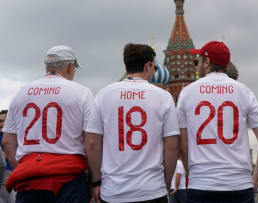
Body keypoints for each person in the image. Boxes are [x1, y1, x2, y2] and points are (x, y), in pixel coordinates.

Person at [177, 41, 258, 203]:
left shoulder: (187, 93)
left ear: (207, 62)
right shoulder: (244, 91)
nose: (196, 65)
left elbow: (182, 145)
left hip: (202, 184)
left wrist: (191, 173)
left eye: (198, 61)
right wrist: (255, 179)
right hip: (239, 185)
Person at [85, 43, 179, 203]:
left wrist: (95, 182)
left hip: (113, 191)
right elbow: (172, 146)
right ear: (148, 66)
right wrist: (166, 182)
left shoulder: (104, 94)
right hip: (152, 190)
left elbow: (92, 143)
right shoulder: (163, 97)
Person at [1, 45, 93, 203]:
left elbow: (7, 142)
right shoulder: (82, 92)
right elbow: (90, 142)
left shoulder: (21, 93)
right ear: (70, 67)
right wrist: (94, 180)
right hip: (68, 178)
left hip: (29, 179)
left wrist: (24, 171)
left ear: (47, 66)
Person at [0, 110, 15, 203]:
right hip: (5, 173)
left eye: (1, 120)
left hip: (9, 173)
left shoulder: (14, 135)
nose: (0, 123)